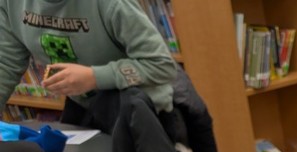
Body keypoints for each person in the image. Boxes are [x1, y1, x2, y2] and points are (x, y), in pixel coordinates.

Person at [0, 0, 177, 114]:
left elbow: (161, 65)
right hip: (85, 108)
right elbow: (6, 65)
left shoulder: (113, 4)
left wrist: (95, 77)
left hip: (143, 113)